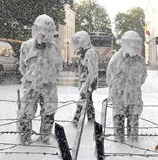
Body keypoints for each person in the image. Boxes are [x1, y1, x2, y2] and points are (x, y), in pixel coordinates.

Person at [18, 14, 63, 145]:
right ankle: (25, 138)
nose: (44, 36)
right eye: (42, 32)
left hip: (49, 86)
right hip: (31, 85)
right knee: (27, 112)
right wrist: (32, 78)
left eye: (48, 33)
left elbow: (59, 67)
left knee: (49, 112)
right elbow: (22, 67)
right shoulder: (26, 46)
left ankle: (44, 137)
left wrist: (48, 77)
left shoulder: (55, 48)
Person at [106, 30, 147, 142]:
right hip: (119, 96)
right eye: (131, 43)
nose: (133, 46)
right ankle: (119, 143)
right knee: (119, 119)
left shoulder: (140, 60)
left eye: (136, 43)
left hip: (134, 96)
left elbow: (143, 77)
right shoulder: (116, 59)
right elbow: (109, 78)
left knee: (133, 120)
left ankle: (132, 143)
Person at [71, 31, 98, 126]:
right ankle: (91, 120)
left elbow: (92, 73)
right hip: (85, 81)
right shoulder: (85, 52)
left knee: (82, 101)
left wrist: (86, 86)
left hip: (88, 82)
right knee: (88, 101)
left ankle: (76, 120)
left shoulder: (89, 53)